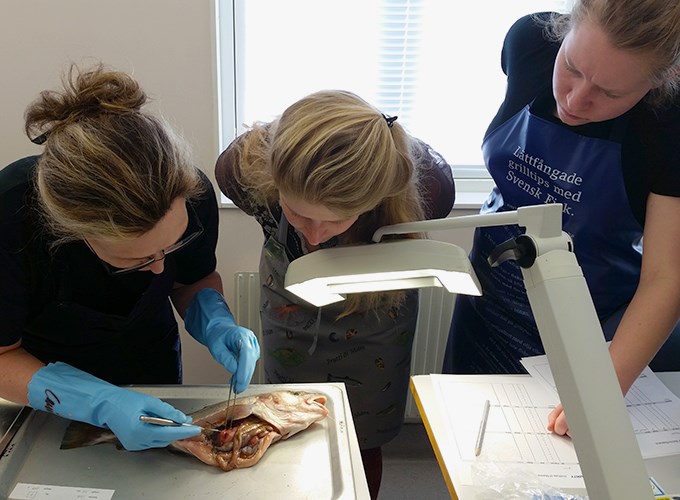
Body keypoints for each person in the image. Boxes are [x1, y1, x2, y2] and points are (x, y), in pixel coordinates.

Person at [443, 0, 680, 437]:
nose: (574, 100)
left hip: (581, 320)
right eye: (571, 66)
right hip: (490, 291)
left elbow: (666, 277)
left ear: (658, 84)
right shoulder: (529, 42)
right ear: (563, 32)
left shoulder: (670, 124)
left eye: (609, 93)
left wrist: (601, 390)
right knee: (464, 435)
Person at [0, 63, 260, 451]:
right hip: (42, 388)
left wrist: (216, 322)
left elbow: (191, 279)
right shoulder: (11, 215)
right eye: (137, 261)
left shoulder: (191, 192)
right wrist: (99, 401)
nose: (159, 269)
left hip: (150, 359)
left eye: (169, 249)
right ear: (74, 232)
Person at [215, 89, 454, 499]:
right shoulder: (240, 167)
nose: (314, 234)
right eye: (297, 213)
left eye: (336, 220)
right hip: (289, 311)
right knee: (283, 423)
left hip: (375, 325)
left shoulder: (431, 186)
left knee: (361, 438)